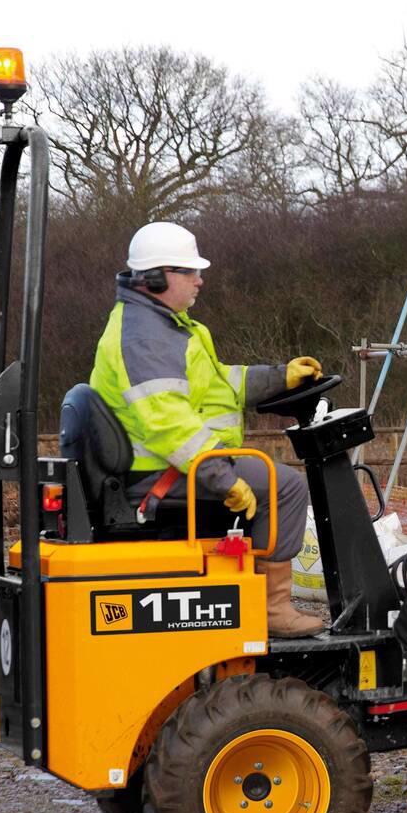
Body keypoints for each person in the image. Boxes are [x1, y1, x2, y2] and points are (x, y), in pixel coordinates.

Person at [89, 221, 325, 638]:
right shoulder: (145, 338)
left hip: (177, 465)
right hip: (160, 475)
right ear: (158, 277)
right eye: (190, 272)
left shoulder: (165, 326)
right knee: (285, 486)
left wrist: (280, 377)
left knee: (274, 481)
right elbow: (169, 424)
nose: (200, 280)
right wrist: (222, 477)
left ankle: (251, 590)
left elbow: (220, 385)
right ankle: (273, 608)